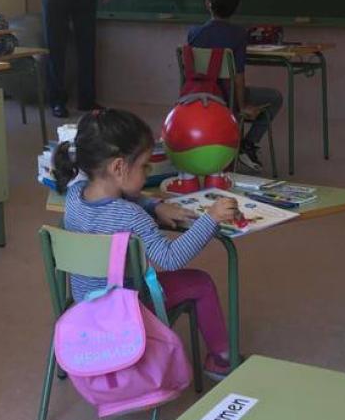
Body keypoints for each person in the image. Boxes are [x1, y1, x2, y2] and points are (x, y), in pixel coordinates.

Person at [54, 108, 238, 379]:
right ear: (118, 167)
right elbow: (170, 258)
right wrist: (210, 219)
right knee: (201, 282)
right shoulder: (130, 216)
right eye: (144, 166)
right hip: (127, 308)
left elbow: (113, 204)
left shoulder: (73, 195)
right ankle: (222, 360)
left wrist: (154, 204)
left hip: (84, 304)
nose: (148, 171)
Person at [187, 0, 283, 174]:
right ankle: (248, 144)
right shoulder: (238, 35)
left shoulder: (193, 33)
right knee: (275, 97)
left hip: (196, 98)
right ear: (235, 8)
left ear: (208, 4)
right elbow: (238, 77)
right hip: (226, 99)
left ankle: (241, 145)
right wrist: (241, 106)